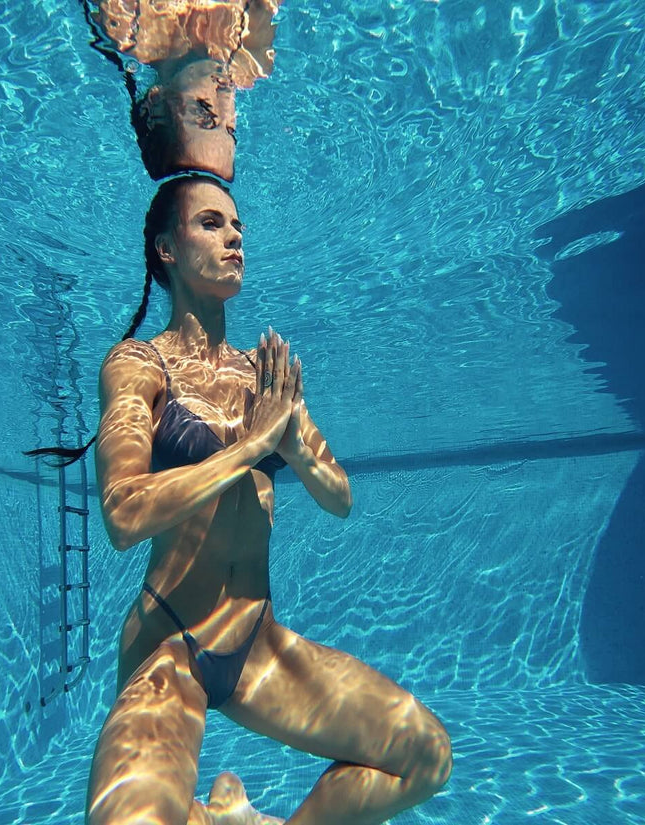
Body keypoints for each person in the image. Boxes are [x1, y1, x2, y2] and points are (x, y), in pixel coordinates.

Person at [36, 173, 452, 824]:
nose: (234, 236)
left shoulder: (266, 378)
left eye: (237, 226)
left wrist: (294, 447)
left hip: (257, 642)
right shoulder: (140, 364)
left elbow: (340, 497)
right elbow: (123, 512)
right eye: (211, 223)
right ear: (167, 248)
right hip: (171, 645)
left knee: (425, 756)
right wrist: (251, 447)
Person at [91, 0, 282, 182]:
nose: (226, 101)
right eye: (230, 129)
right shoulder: (252, 58)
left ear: (156, 100)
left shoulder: (127, 29)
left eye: (204, 113)